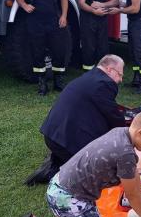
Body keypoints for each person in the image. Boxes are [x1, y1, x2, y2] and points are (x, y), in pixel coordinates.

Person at [3, 111, 141, 217]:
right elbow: (131, 193)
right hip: (68, 198)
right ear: (140, 132)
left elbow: (134, 176)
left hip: (62, 187)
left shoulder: (121, 132)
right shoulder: (125, 154)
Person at [25, 55, 126, 186]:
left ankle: (56, 165)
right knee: (104, 173)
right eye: (120, 75)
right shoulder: (104, 83)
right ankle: (59, 172)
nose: (120, 80)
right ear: (109, 69)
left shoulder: (90, 77)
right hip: (64, 141)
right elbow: (112, 115)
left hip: (52, 135)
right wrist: (127, 133)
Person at [16, 0, 69, 95]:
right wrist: (25, 5)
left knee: (58, 51)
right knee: (37, 53)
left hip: (53, 21)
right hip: (35, 22)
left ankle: (58, 82)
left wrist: (63, 16)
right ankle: (42, 83)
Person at [77, 0, 119, 71]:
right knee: (88, 47)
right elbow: (81, 3)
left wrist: (102, 5)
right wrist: (93, 11)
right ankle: (88, 73)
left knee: (103, 48)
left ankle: (102, 72)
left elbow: (115, 1)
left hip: (102, 21)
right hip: (88, 20)